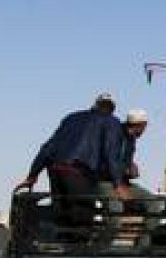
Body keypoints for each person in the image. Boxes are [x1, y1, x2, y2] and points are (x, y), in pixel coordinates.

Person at [18, 94, 130, 226]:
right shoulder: (111, 122)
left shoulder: (71, 118)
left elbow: (48, 147)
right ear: (112, 109)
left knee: (62, 216)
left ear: (95, 105)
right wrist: (118, 184)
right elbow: (111, 153)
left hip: (55, 170)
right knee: (82, 218)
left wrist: (33, 175)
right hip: (78, 171)